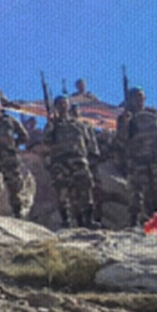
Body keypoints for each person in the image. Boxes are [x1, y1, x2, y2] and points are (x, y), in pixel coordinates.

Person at [116, 87, 157, 226]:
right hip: (138, 160)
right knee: (143, 191)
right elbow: (121, 140)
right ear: (130, 100)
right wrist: (125, 123)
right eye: (136, 97)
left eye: (141, 97)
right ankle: (147, 220)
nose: (139, 100)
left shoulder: (155, 113)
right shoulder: (126, 117)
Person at [43, 95, 99, 228]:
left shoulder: (78, 124)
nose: (63, 106)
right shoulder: (53, 124)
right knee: (62, 191)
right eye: (60, 104)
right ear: (56, 107)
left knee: (85, 188)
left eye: (65, 103)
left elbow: (88, 142)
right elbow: (46, 140)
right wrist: (51, 124)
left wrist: (92, 158)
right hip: (60, 161)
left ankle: (89, 220)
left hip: (79, 159)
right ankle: (66, 220)